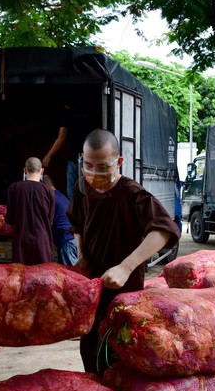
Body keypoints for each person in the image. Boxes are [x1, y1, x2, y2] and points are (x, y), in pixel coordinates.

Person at [67, 129, 181, 376]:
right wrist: (82, 253)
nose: (94, 175)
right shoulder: (82, 188)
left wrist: (126, 267)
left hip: (124, 294)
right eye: (88, 166)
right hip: (93, 291)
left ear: (118, 162)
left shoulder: (131, 193)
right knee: (90, 352)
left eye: (103, 167)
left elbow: (164, 229)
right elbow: (76, 222)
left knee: (117, 360)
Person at [5, 157, 55, 265]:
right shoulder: (49, 191)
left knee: (21, 273)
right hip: (42, 241)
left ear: (25, 170)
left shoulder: (14, 188)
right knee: (43, 274)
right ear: (42, 171)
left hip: (21, 240)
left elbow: (10, 219)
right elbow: (50, 221)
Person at [43, 101, 93, 199]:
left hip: (75, 158)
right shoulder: (88, 113)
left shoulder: (67, 114)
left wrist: (49, 155)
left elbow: (61, 138)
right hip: (88, 158)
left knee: (71, 192)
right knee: (84, 191)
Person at [42, 174, 78, 266]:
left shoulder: (51, 199)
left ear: (45, 187)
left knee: (71, 274)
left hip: (67, 242)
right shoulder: (60, 196)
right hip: (71, 240)